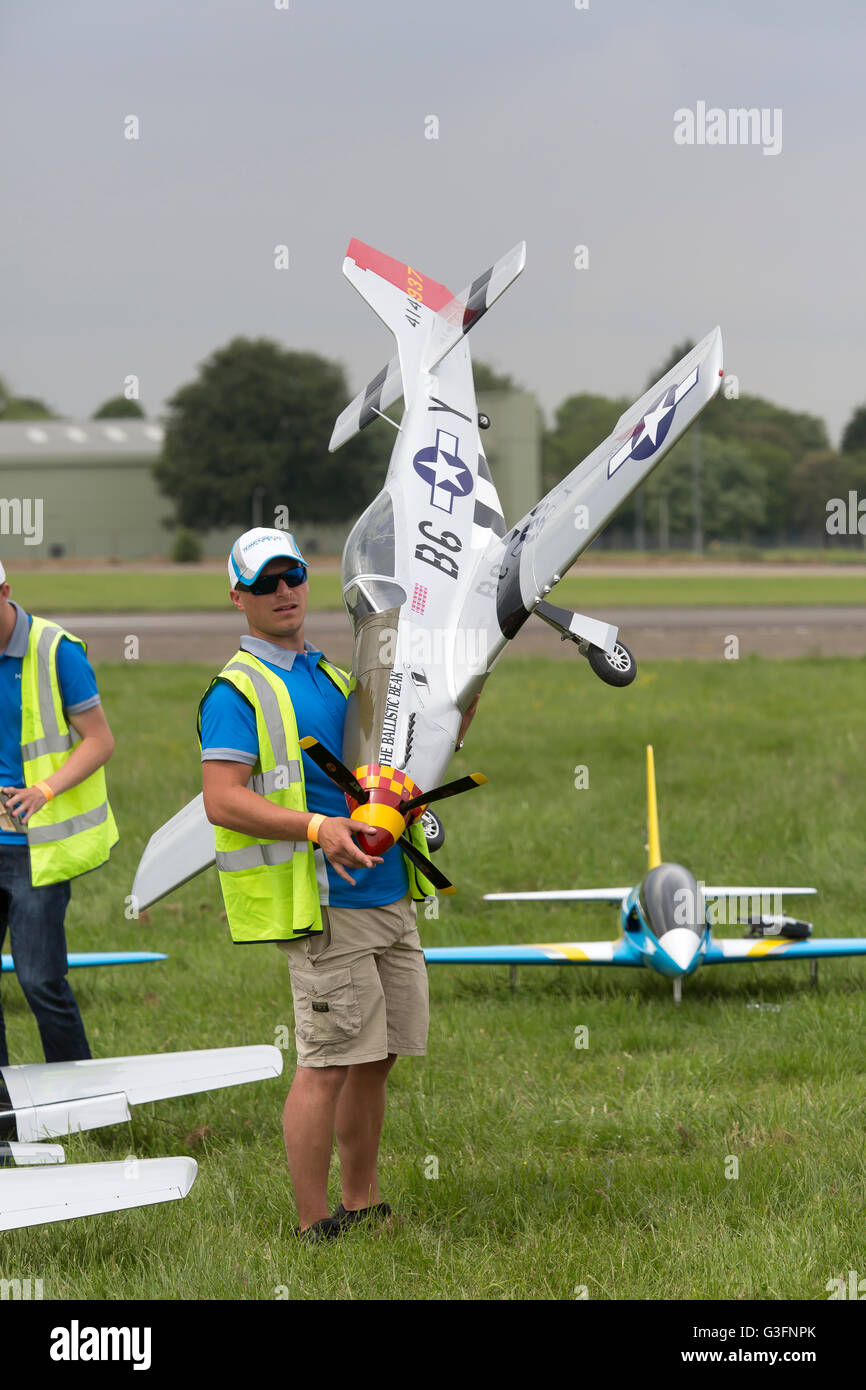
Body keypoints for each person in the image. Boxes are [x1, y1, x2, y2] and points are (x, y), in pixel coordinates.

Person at [199, 527, 474, 1242]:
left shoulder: (331, 673)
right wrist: (318, 829)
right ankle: (312, 1222)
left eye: (292, 576)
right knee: (326, 1064)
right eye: (265, 583)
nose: (284, 591)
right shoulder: (237, 690)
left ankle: (362, 1201)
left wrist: (463, 687)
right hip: (323, 903)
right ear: (239, 597)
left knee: (377, 1057)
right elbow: (222, 800)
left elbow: (398, 751)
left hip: (389, 893)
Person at [0, 559, 117, 1066]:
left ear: (5, 591)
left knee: (40, 979)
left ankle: (76, 1100)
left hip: (35, 848)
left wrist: (44, 790)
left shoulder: (55, 650)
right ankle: (5, 1111)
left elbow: (100, 740)